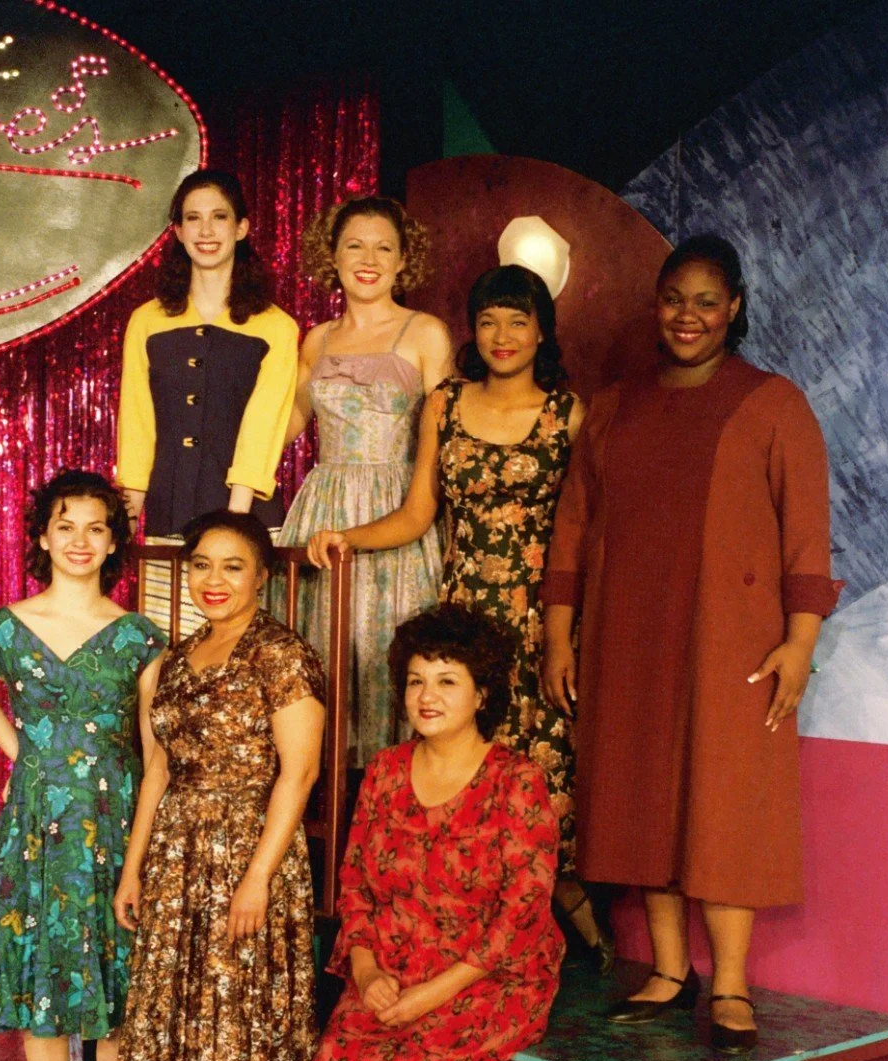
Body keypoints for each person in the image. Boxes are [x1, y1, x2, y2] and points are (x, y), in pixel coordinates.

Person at [541, 234, 841, 1052]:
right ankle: (671, 973)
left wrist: (799, 642)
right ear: (656, 304)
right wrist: (561, 639)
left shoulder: (774, 404)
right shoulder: (614, 406)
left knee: (724, 797)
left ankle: (732, 984)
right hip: (627, 633)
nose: (688, 316)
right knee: (644, 796)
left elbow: (808, 536)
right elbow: (572, 530)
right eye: (675, 298)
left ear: (734, 308)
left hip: (732, 638)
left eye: (707, 301)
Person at [308, 264, 611, 966]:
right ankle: (460, 944)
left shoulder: (567, 412)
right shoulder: (443, 402)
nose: (502, 336)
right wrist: (345, 536)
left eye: (518, 320)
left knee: (544, 785)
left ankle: (571, 943)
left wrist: (574, 630)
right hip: (468, 623)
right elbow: (418, 514)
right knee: (467, 781)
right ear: (473, 331)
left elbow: (588, 530)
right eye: (489, 320)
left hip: (546, 625)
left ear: (543, 331)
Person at [306, 604, 563, 1061]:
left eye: (447, 681)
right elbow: (356, 881)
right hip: (392, 955)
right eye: (417, 680)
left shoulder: (518, 781)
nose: (428, 696)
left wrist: (429, 996)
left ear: (484, 693)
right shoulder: (386, 771)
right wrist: (364, 970)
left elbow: (521, 915)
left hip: (490, 972)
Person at [111, 510, 325, 1061]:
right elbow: (157, 773)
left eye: (232, 566)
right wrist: (134, 868)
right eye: (201, 564)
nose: (213, 580)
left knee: (235, 1017)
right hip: (178, 853)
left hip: (249, 851)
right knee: (189, 1018)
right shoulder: (172, 662)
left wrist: (258, 876)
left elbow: (299, 774)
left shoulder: (283, 655)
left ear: (262, 576)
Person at [0, 471, 166, 1061]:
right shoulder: (6, 627)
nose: (80, 540)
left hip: (113, 826)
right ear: (43, 536)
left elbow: (154, 749)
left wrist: (142, 850)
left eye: (96, 528)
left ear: (114, 543)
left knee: (114, 980)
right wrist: (27, 754)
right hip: (37, 828)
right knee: (43, 977)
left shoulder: (140, 637)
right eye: (66, 525)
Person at [275, 194, 452, 763]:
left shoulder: (425, 332)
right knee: (318, 661)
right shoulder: (317, 339)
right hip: (321, 509)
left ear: (405, 261)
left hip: (396, 508)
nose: (368, 258)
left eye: (384, 247)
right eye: (354, 245)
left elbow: (446, 437)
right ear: (334, 255)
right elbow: (288, 423)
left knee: (386, 662)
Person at [117, 169, 298, 633]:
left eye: (219, 217)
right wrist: (127, 517)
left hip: (246, 515)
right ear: (177, 232)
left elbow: (263, 428)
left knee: (244, 658)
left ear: (242, 227)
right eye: (192, 219)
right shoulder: (147, 321)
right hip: (168, 513)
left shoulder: (276, 325)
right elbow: (137, 424)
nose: (206, 230)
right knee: (168, 653)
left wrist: (232, 531)